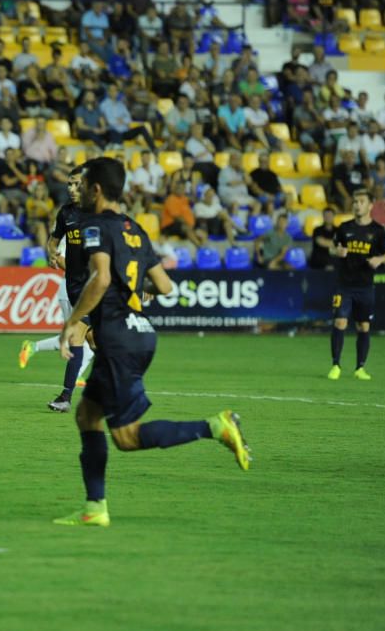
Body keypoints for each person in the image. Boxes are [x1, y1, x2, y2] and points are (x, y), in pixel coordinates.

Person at [53, 156, 250, 528]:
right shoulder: (135, 229)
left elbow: (100, 279)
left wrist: (73, 320)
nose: (79, 192)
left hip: (117, 338)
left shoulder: (95, 225)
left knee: (126, 437)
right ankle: (95, 508)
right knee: (87, 415)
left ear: (96, 189)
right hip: (140, 331)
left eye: (84, 185)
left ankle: (216, 426)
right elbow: (163, 285)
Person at [19, 166, 96, 411]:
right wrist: (52, 254)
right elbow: (53, 241)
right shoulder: (66, 214)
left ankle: (65, 397)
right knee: (95, 345)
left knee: (77, 340)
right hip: (73, 288)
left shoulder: (99, 215)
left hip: (94, 289)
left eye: (77, 184)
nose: (72, 189)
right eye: (69, 185)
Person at [328, 188, 385, 381]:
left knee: (363, 326)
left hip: (365, 286)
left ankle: (360, 368)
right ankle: (336, 365)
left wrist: (379, 259)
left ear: (370, 205)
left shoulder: (378, 231)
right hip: (344, 285)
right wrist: (336, 252)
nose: (357, 205)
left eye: (361, 201)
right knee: (340, 321)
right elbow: (333, 247)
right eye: (355, 201)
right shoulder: (344, 228)